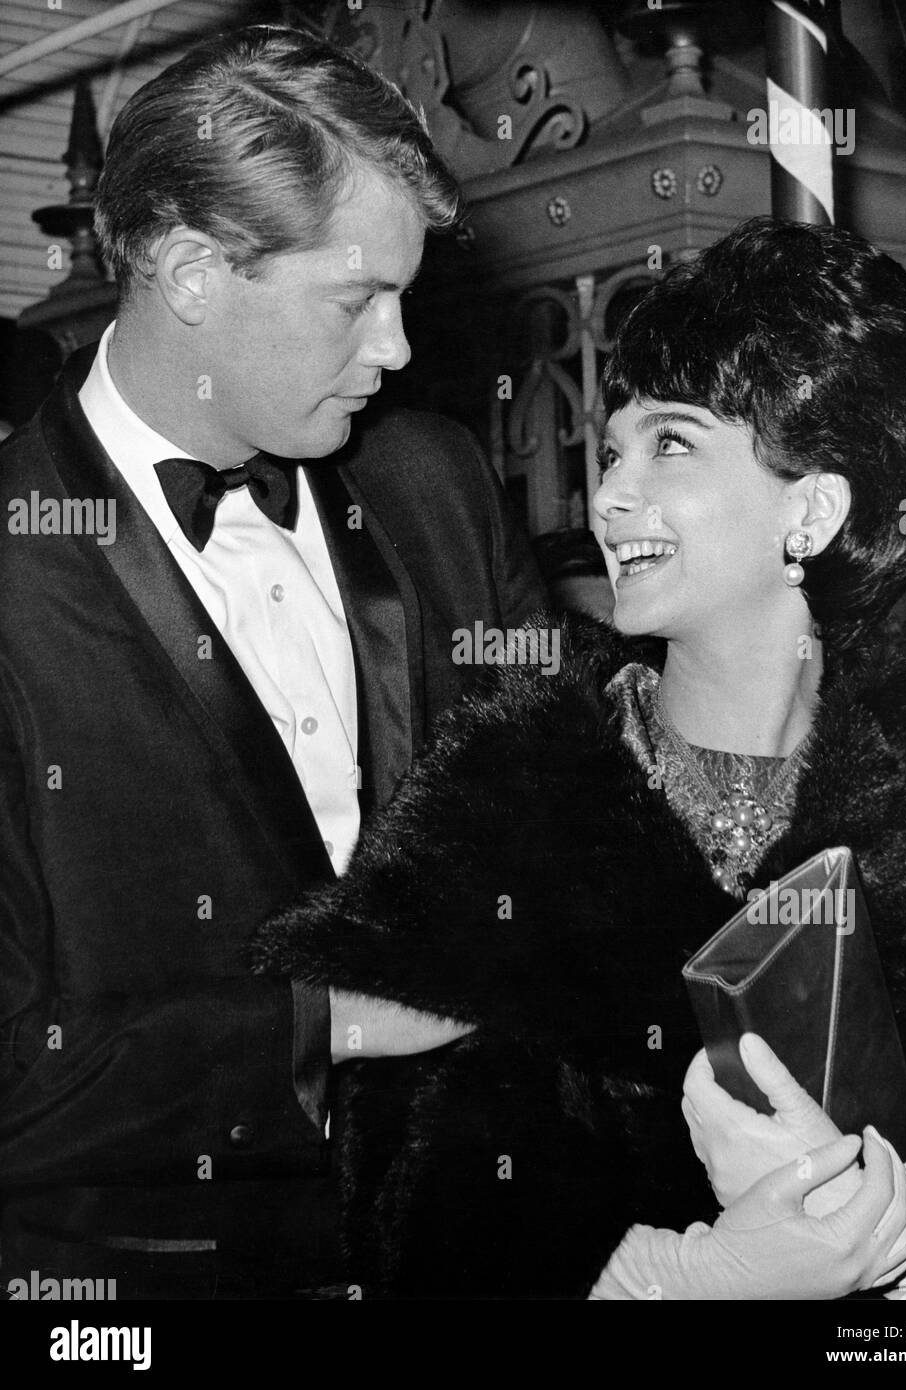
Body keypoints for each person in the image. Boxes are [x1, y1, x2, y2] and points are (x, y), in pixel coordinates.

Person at [255, 217, 906, 1299]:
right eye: (613, 447)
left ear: (813, 508)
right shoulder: (508, 796)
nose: (609, 496)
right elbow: (410, 1208)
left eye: (673, 444)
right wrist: (691, 1276)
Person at [0, 26, 543, 1300]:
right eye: (357, 300)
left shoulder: (437, 484)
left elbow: (555, 804)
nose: (400, 351)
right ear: (191, 270)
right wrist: (339, 1024)